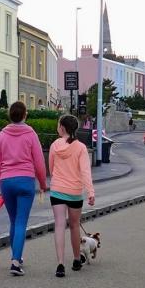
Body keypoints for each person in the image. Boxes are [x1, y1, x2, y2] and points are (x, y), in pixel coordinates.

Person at [0, 101, 49, 276]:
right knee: (21, 221)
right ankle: (16, 262)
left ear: (10, 115)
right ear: (25, 115)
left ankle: (15, 255)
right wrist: (42, 183)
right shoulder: (31, 134)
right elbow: (39, 162)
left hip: (7, 181)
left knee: (13, 220)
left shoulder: (2, 135)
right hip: (25, 180)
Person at [49, 115, 96, 277]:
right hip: (75, 192)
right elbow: (85, 172)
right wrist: (90, 192)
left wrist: (57, 180)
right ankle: (77, 259)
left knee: (59, 225)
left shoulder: (55, 145)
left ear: (62, 127)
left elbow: (51, 168)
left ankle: (60, 264)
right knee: (75, 226)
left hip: (57, 190)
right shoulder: (81, 147)